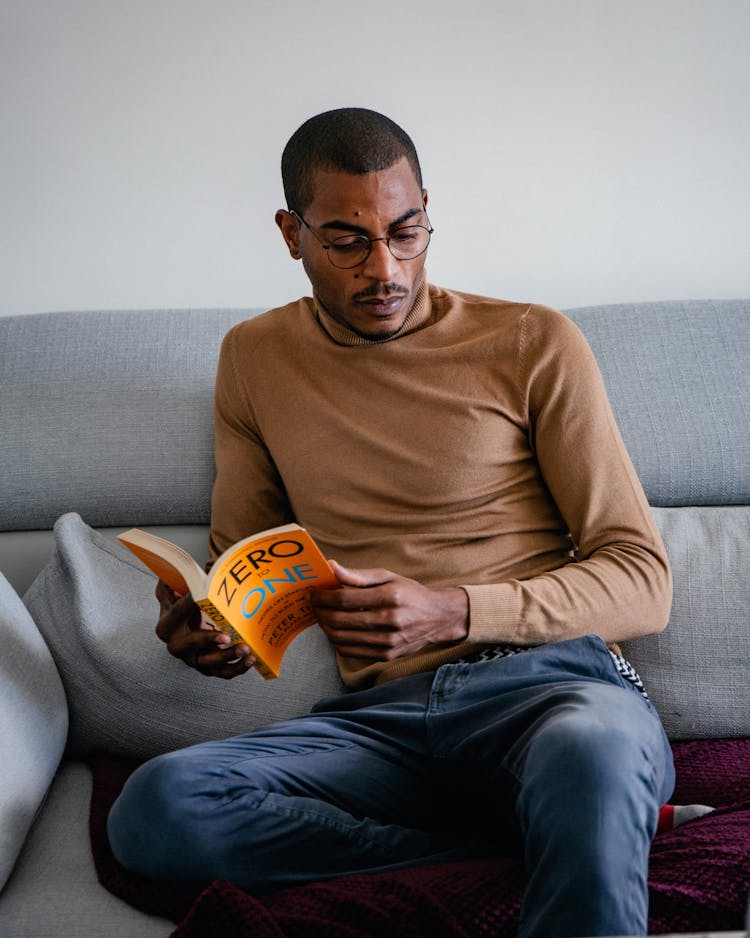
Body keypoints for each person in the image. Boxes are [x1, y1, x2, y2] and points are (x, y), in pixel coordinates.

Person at [107, 107, 675, 938]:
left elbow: (644, 579)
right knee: (157, 808)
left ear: (426, 210)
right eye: (346, 241)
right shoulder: (253, 358)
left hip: (558, 693)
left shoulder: (532, 339)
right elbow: (247, 563)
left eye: (407, 231)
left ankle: (577, 812)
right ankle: (529, 839)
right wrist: (216, 627)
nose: (386, 269)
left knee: (590, 755)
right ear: (290, 233)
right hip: (387, 723)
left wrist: (454, 609)